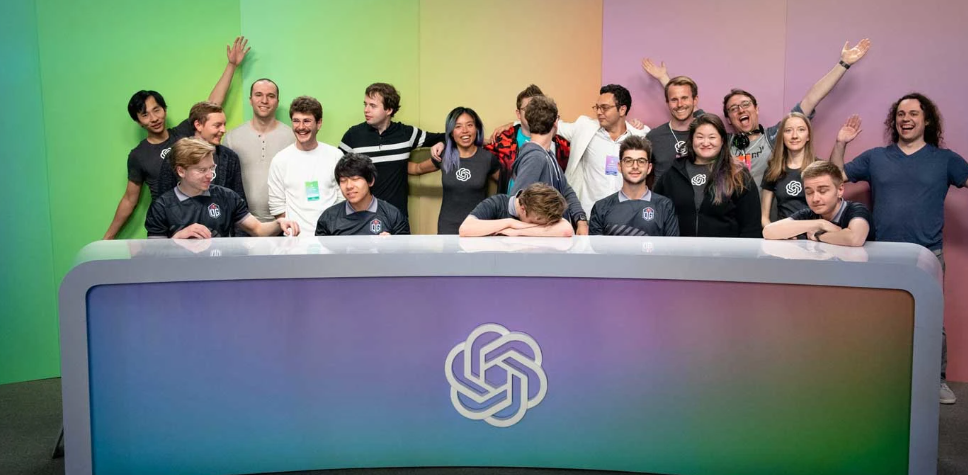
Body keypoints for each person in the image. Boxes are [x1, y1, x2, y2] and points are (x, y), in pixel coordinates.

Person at [830, 93, 968, 404]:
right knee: (881, 318)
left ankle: (936, 381)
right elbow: (835, 178)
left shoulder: (945, 160)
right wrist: (840, 143)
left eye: (913, 113)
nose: (906, 119)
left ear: (926, 120)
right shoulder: (876, 157)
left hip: (927, 254)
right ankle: (881, 378)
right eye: (900, 114)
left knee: (931, 319)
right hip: (882, 254)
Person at [104, 36, 249, 239]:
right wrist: (108, 238)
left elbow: (211, 106)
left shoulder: (183, 133)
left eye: (157, 110)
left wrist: (231, 65)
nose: (154, 118)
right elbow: (130, 199)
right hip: (170, 227)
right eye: (145, 115)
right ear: (138, 121)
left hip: (207, 220)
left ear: (165, 110)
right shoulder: (139, 155)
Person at [723, 39, 870, 188]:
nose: (741, 110)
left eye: (746, 104)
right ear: (728, 119)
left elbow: (811, 99)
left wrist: (844, 63)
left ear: (756, 109)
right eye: (733, 108)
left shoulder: (776, 135)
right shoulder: (722, 143)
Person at [145, 138, 298, 238]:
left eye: (212, 168)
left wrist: (279, 223)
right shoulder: (161, 207)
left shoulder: (227, 197)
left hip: (220, 271)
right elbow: (154, 253)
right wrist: (178, 238)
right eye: (202, 170)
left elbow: (258, 229)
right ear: (181, 171)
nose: (210, 175)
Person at [338, 83, 445, 217]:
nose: (366, 110)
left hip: (397, 217)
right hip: (362, 218)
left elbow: (448, 137)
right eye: (365, 104)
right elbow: (337, 172)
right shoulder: (353, 135)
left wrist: (441, 144)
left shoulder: (406, 134)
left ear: (389, 110)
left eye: (373, 106)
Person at [653, 114, 760, 237]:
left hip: (726, 249)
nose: (705, 142)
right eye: (700, 137)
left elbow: (751, 226)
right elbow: (657, 217)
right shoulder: (672, 173)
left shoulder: (738, 175)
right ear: (692, 139)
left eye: (712, 137)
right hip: (680, 248)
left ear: (722, 140)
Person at [557, 84, 650, 212]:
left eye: (605, 108)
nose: (599, 112)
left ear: (622, 110)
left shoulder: (640, 136)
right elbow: (553, 124)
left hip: (625, 214)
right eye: (597, 107)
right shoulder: (585, 128)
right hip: (589, 213)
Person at [411, 107, 500, 234]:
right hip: (448, 226)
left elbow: (508, 184)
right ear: (451, 132)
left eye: (470, 125)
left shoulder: (487, 158)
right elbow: (417, 168)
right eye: (458, 126)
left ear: (476, 128)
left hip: (479, 225)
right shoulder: (444, 156)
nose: (465, 130)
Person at [507, 95, 588, 234]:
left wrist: (580, 219)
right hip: (541, 241)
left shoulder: (547, 155)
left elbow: (566, 190)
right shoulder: (536, 158)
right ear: (556, 122)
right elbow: (517, 205)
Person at [267, 96, 344, 234]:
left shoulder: (335, 156)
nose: (301, 127)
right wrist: (291, 231)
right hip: (294, 240)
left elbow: (342, 198)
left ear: (319, 123)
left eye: (307, 121)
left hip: (330, 237)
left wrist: (333, 229)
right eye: (296, 121)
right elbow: (277, 205)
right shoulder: (280, 160)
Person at [223, 78, 296, 222]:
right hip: (242, 222)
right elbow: (225, 184)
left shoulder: (293, 137)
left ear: (277, 101)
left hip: (285, 220)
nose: (264, 100)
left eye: (271, 96)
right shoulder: (231, 138)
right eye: (258, 95)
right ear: (250, 100)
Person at [762, 160, 872, 246]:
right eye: (809, 192)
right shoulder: (809, 214)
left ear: (840, 190)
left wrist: (819, 236)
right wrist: (821, 223)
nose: (815, 199)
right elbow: (768, 231)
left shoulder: (856, 209)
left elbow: (854, 238)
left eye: (822, 191)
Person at [156, 101, 246, 204]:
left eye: (224, 125)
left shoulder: (230, 158)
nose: (223, 130)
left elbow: (239, 201)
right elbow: (164, 200)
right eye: (217, 125)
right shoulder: (175, 156)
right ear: (198, 125)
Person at [589, 136, 679, 236]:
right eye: (628, 161)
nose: (635, 166)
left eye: (641, 161)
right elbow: (596, 246)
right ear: (619, 166)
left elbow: (671, 245)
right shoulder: (601, 207)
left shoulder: (665, 206)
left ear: (649, 168)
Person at [316, 153, 410, 236]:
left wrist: (391, 245)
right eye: (343, 181)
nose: (349, 186)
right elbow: (320, 250)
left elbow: (404, 249)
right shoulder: (328, 218)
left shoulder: (393, 216)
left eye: (355, 179)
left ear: (371, 181)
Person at [638, 65, 703, 182]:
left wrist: (663, 77)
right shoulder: (654, 136)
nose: (680, 104)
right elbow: (638, 172)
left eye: (684, 98)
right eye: (674, 100)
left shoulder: (707, 132)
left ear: (695, 100)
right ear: (667, 103)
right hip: (663, 194)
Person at [760, 112, 818, 227]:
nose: (794, 136)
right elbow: (764, 217)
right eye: (788, 130)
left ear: (808, 136)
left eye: (801, 130)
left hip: (814, 234)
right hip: (783, 235)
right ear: (782, 136)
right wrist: (776, 233)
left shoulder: (819, 168)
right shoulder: (773, 169)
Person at [459, 183, 574, 237]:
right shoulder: (497, 203)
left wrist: (518, 231)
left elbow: (566, 230)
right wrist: (510, 223)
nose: (538, 225)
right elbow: (465, 229)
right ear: (523, 209)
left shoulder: (543, 207)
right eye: (534, 222)